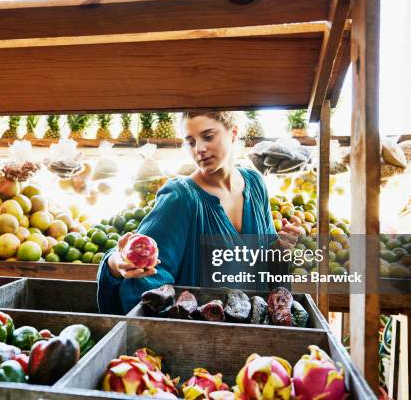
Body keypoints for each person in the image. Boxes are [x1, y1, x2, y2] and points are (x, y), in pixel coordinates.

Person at [97, 112, 302, 314]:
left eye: (208, 137)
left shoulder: (256, 184)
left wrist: (281, 247)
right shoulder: (181, 198)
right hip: (200, 334)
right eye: (190, 142)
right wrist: (116, 263)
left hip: (252, 330)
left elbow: (263, 261)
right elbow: (146, 270)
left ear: (233, 132)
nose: (199, 149)